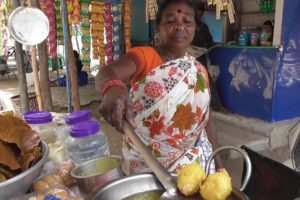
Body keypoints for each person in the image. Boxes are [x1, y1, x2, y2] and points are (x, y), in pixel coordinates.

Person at [96, 0, 222, 175]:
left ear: (195, 28)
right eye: (170, 21)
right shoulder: (146, 56)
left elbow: (205, 122)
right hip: (147, 164)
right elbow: (108, 71)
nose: (179, 27)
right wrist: (112, 87)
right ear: (157, 28)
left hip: (193, 168)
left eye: (187, 22)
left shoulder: (198, 71)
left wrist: (219, 164)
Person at [191, 2, 228, 113]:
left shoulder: (203, 26)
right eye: (198, 12)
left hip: (199, 58)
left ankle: (216, 105)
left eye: (201, 12)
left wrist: (211, 46)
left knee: (206, 80)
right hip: (184, 58)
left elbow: (209, 42)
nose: (200, 14)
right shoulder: (184, 24)